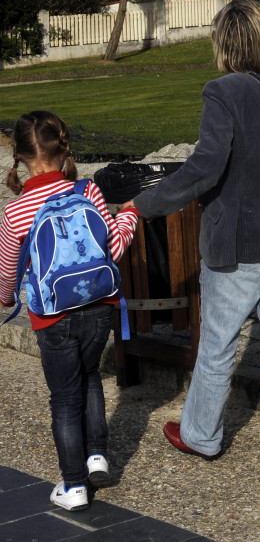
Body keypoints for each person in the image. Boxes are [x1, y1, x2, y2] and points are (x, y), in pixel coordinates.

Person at [125, 0, 260, 482]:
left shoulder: (223, 92)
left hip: (239, 244)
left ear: (225, 41)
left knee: (218, 343)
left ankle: (200, 435)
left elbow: (204, 169)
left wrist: (141, 205)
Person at [0, 111, 140, 511]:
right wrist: (129, 214)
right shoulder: (88, 192)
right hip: (100, 308)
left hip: (53, 317)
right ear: (63, 150)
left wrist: (6, 299)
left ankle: (74, 485)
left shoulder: (15, 213)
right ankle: (97, 455)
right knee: (91, 374)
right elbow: (112, 249)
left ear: (23, 157)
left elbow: (7, 270)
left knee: (64, 397)